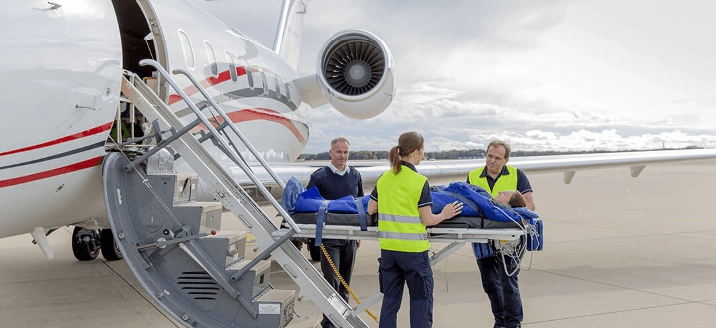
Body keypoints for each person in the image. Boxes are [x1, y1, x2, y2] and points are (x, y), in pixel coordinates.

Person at [367, 131, 463, 328]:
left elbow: (370, 209)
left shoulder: (384, 178)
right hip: (413, 254)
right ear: (417, 152)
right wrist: (444, 214)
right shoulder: (419, 181)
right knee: (420, 302)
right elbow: (427, 219)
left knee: (390, 302)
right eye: (422, 151)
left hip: (388, 252)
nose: (423, 155)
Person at [467, 140, 535, 328]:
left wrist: (504, 212)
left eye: (497, 158)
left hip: (509, 240)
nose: (492, 161)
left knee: (508, 283)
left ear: (506, 159)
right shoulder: (473, 176)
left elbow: (530, 205)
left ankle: (513, 323)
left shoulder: (517, 175)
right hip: (483, 239)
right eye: (489, 156)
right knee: (490, 284)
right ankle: (500, 321)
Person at [306, 137, 364, 328]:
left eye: (346, 152)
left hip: (350, 238)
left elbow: (360, 205)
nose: (342, 156)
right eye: (339, 152)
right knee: (331, 282)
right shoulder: (319, 177)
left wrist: (359, 234)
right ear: (331, 152)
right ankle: (329, 323)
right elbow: (309, 206)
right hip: (329, 238)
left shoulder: (355, 175)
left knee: (345, 283)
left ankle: (342, 320)